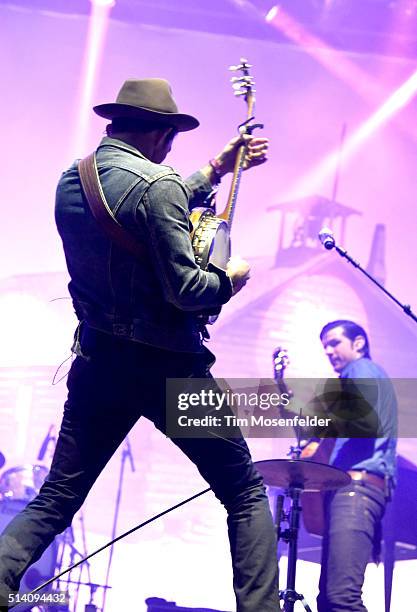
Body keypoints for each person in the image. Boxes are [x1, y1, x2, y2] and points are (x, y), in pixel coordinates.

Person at [0, 79, 279, 611]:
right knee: (244, 493)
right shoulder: (159, 184)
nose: (172, 149)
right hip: (170, 370)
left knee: (56, 499)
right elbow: (188, 291)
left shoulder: (71, 180)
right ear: (159, 133)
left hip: (100, 363)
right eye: (172, 138)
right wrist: (234, 277)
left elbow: (143, 208)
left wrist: (216, 170)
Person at [313, 320, 397, 612]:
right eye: (324, 345)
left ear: (358, 343)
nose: (328, 350)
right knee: (329, 600)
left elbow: (364, 423)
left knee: (341, 599)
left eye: (334, 342)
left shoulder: (358, 370)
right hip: (354, 489)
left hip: (356, 490)